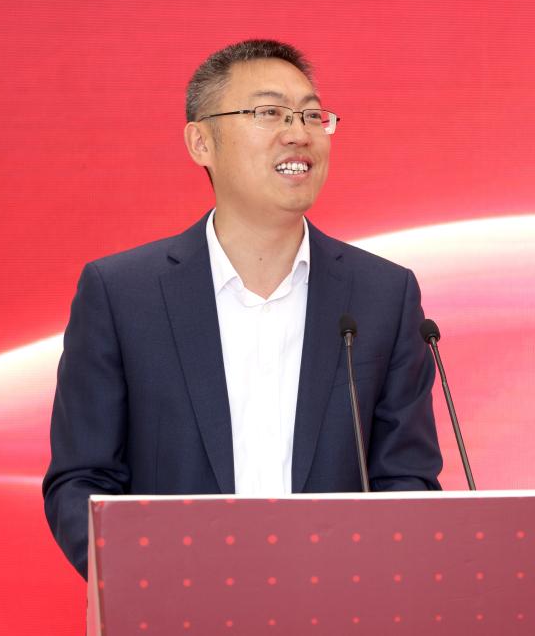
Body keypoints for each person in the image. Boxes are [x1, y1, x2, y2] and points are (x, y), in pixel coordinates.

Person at [43, 39, 442, 578]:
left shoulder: (382, 296)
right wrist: (146, 586)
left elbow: (407, 480)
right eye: (269, 113)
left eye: (311, 115)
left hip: (339, 604)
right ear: (201, 142)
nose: (298, 133)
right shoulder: (122, 295)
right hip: (175, 606)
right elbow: (82, 483)